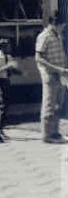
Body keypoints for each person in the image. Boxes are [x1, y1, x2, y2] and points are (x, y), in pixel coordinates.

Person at [34, 15, 68, 143]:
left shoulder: (58, 36)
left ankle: (55, 132)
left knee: (58, 104)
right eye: (63, 25)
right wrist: (57, 68)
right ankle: (47, 135)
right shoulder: (44, 36)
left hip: (61, 75)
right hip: (50, 75)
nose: (64, 28)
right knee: (49, 105)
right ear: (56, 24)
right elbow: (38, 58)